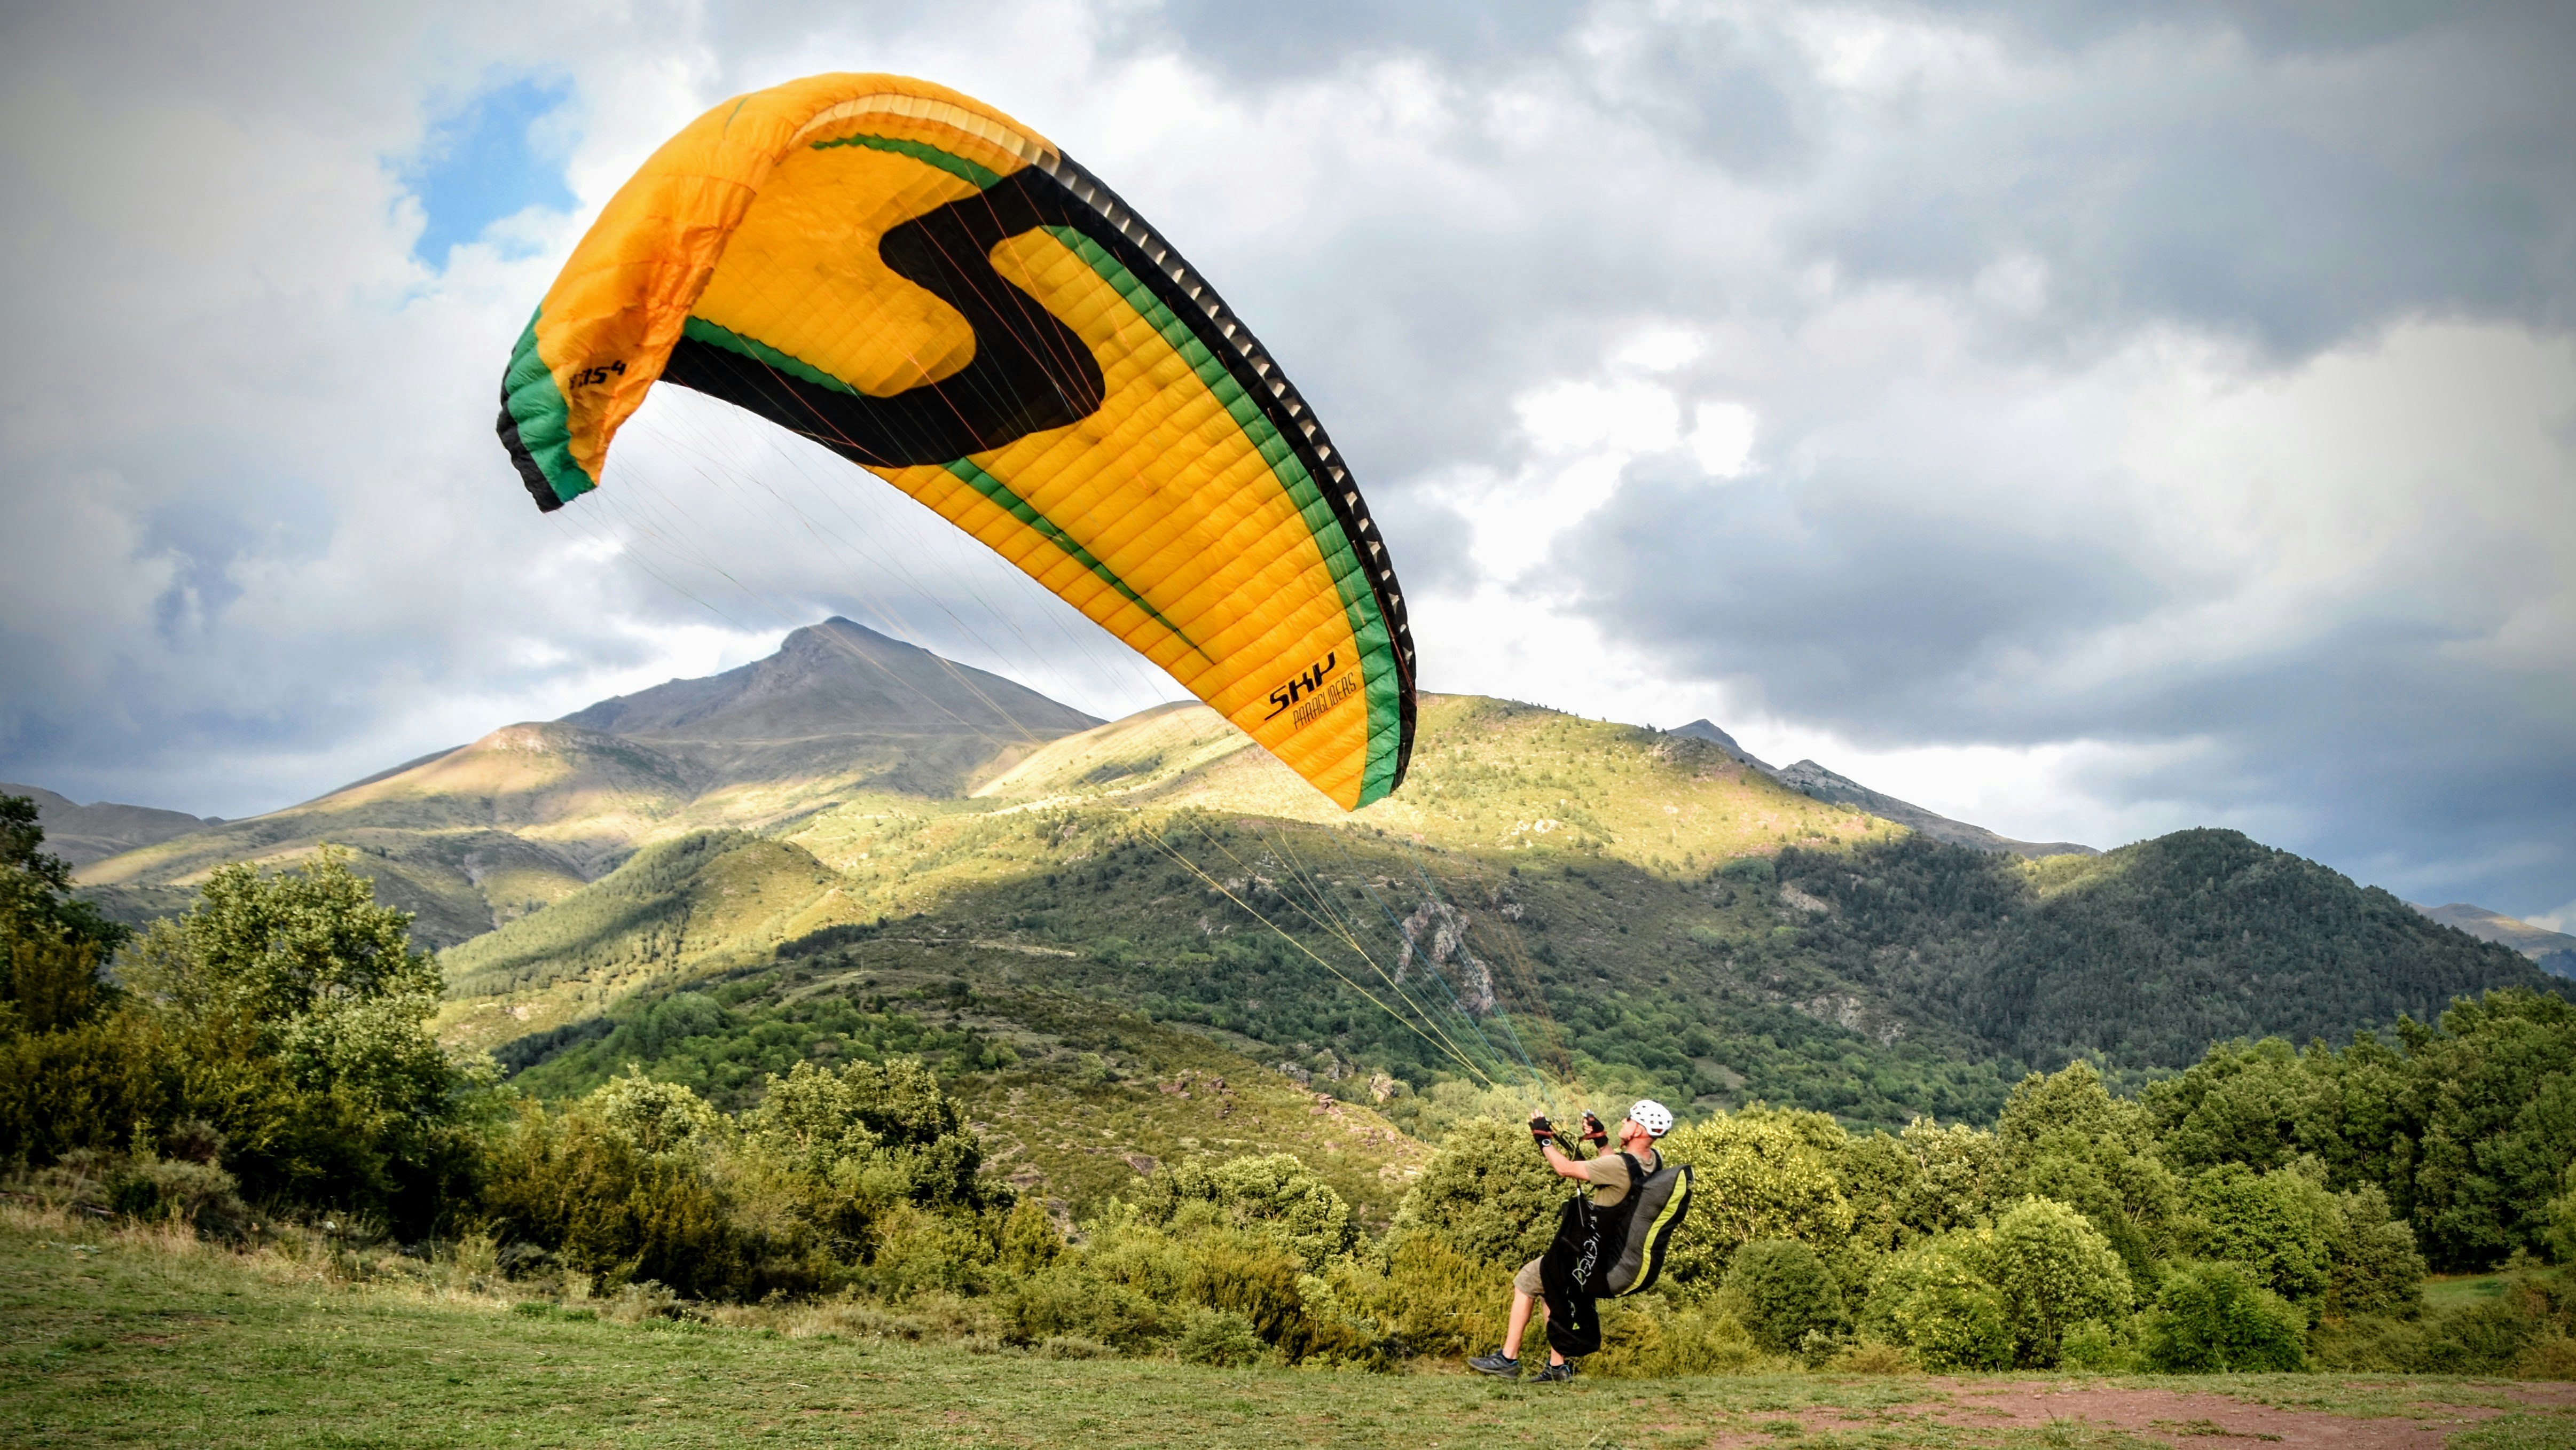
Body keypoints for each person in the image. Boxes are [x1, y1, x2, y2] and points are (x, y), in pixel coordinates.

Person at [1468, 1099, 1675, 1382]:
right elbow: (1626, 1169)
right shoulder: (1653, 1161)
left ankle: (1508, 1359)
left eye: (1629, 1120)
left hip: (1592, 1256)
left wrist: (1543, 1139)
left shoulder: (1618, 1165)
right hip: (1611, 1254)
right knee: (1552, 1286)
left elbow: (1565, 1168)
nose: (1623, 1123)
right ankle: (1557, 1367)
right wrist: (1601, 1142)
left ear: (1639, 1130)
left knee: (1527, 1279)